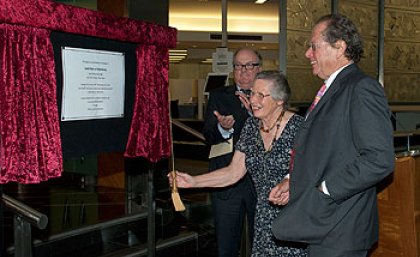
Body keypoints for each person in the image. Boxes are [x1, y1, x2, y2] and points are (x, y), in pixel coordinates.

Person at [269, 14, 395, 257]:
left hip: (341, 229)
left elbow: (379, 159)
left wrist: (325, 190)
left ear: (340, 47)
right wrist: (292, 182)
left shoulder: (361, 88)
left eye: (314, 46)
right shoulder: (333, 89)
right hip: (325, 226)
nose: (307, 54)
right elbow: (327, 151)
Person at [172, 70, 307, 257]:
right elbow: (233, 172)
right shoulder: (251, 127)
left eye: (261, 95)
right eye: (252, 93)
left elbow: (318, 171)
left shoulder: (301, 128)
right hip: (263, 220)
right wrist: (194, 181)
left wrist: (293, 182)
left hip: (295, 218)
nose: (253, 100)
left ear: (279, 100)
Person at [201, 47, 261, 257]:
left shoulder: (270, 96)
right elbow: (208, 135)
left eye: (249, 66)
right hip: (226, 181)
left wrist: (256, 116)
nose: (243, 71)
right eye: (238, 66)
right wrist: (223, 129)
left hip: (260, 181)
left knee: (262, 244)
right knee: (226, 246)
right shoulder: (219, 95)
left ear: (259, 69)